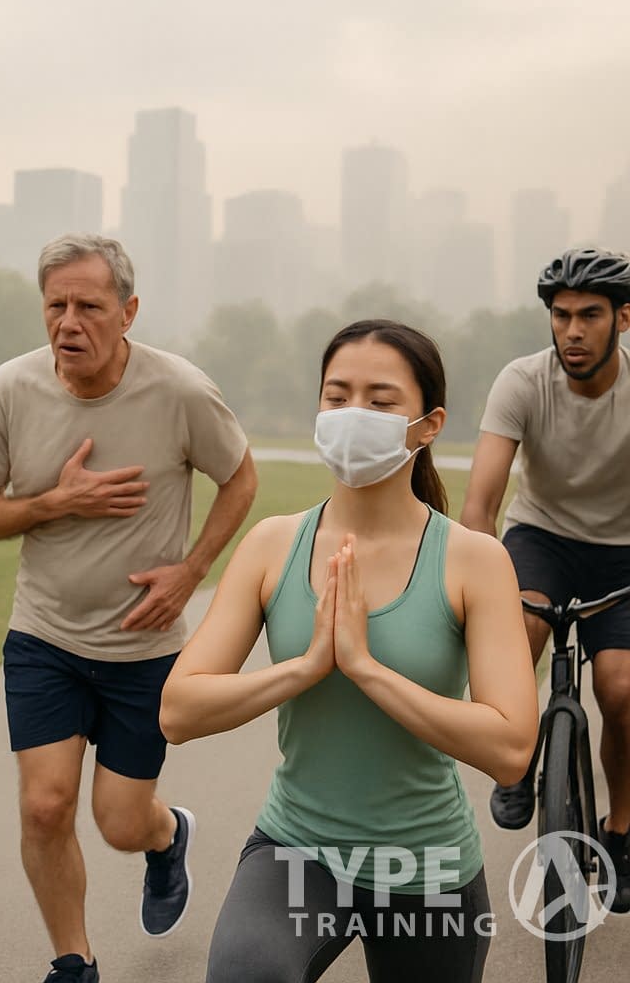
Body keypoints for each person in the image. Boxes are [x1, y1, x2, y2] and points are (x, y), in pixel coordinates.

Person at [161, 319, 538, 983]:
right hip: (297, 853)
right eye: (337, 396)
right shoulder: (273, 545)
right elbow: (179, 711)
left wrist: (365, 668)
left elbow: (510, 747)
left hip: (425, 868)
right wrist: (304, 669)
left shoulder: (474, 561)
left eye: (380, 399)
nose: (352, 414)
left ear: (428, 425)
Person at [0, 233, 256, 983]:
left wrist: (191, 572)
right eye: (55, 305)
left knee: (120, 822)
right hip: (44, 638)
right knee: (44, 808)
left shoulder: (180, 391)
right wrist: (57, 500)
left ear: (127, 312)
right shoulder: (11, 389)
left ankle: (165, 838)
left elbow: (241, 478)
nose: (68, 322)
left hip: (140, 652)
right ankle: (74, 962)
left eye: (88, 306)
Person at [460, 246, 630, 911]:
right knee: (522, 624)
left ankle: (621, 829)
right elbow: (480, 503)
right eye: (560, 316)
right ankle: (519, 753)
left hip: (623, 549)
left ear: (624, 318)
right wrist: (482, 583)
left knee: (621, 690)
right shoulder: (523, 382)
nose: (573, 331)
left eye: (590, 315)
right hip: (541, 538)